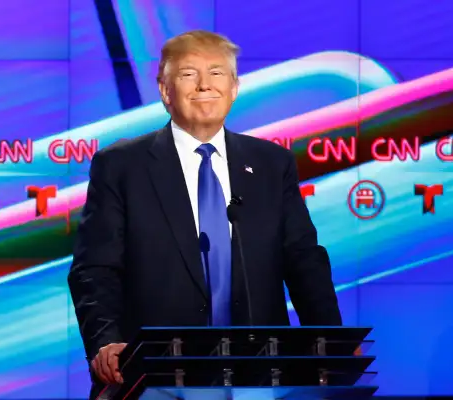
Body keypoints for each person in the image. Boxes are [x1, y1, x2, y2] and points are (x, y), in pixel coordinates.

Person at [68, 29, 342, 399]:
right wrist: (106, 342)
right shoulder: (121, 166)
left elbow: (303, 260)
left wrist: (331, 340)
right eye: (188, 74)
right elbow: (94, 269)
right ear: (165, 91)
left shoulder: (270, 164)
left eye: (216, 73)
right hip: (156, 376)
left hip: (259, 374)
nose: (204, 86)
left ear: (233, 88)